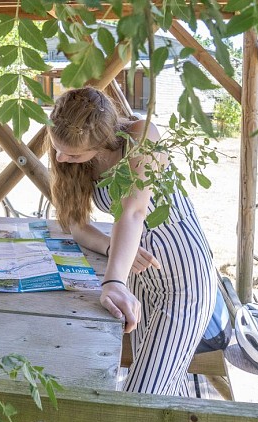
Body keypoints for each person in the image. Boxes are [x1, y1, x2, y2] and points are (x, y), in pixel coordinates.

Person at [47, 87, 216, 396]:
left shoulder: (142, 136)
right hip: (137, 280)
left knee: (141, 395)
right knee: (163, 387)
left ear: (101, 140)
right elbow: (77, 226)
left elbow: (134, 211)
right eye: (58, 148)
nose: (61, 158)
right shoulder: (72, 157)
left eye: (71, 154)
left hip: (184, 280)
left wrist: (113, 280)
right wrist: (112, 249)